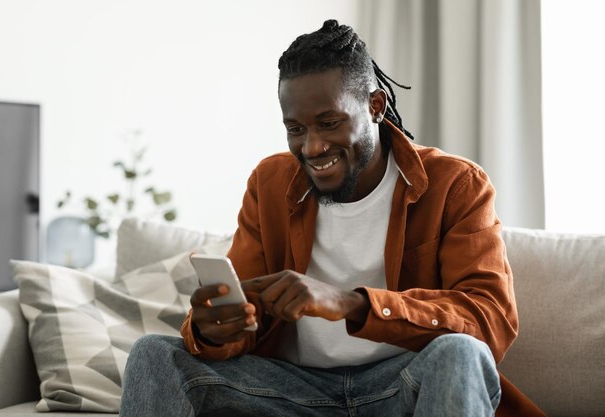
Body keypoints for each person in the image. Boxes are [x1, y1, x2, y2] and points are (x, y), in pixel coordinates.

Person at [120, 20, 544, 417]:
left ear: (375, 105)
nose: (312, 147)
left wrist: (350, 303)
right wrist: (216, 331)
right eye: (296, 129)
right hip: (291, 392)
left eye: (329, 123)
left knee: (461, 353)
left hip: (401, 384)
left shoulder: (455, 184)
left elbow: (490, 321)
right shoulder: (269, 183)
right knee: (154, 354)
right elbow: (246, 318)